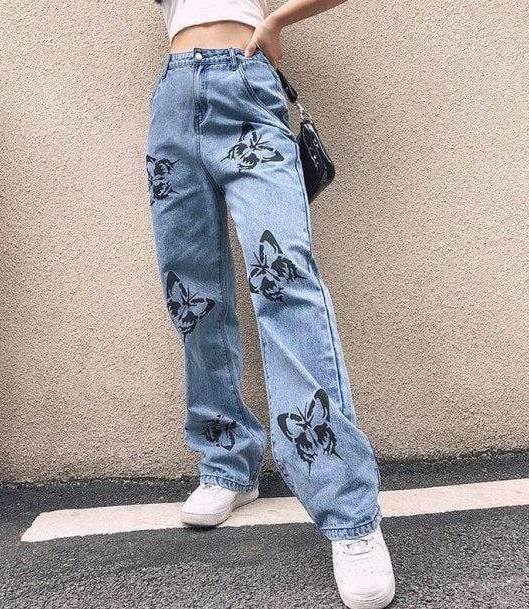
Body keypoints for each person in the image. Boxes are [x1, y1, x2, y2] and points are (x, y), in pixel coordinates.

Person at [146, 1, 395, 607]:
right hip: (173, 100)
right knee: (193, 296)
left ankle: (349, 515)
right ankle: (227, 462)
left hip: (248, 89)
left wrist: (277, 21)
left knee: (284, 283)